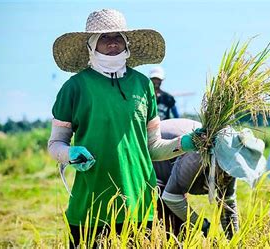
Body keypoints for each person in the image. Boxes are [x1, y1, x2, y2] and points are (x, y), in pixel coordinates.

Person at [48, 9, 202, 247]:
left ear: (127, 43)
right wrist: (69, 154)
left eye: (117, 36)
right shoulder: (75, 87)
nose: (112, 43)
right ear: (91, 45)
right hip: (91, 205)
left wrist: (185, 143)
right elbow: (55, 144)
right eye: (104, 37)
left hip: (140, 205)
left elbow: (153, 147)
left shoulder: (143, 85)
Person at [153, 118, 267, 239]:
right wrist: (203, 226)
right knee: (173, 229)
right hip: (154, 158)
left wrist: (234, 240)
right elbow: (171, 197)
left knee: (183, 229)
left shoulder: (230, 165)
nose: (231, 177)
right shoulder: (198, 156)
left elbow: (227, 204)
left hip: (174, 170)